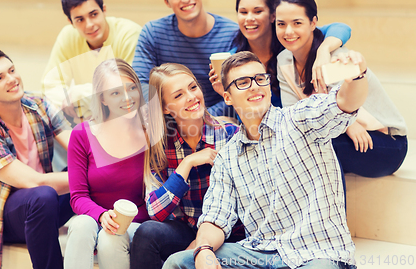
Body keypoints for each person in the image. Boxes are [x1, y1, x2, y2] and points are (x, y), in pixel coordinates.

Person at [164, 50, 365, 269]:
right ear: (227, 97)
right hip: (260, 253)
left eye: (260, 79)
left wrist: (356, 75)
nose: (254, 86)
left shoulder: (300, 119)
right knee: (179, 263)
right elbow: (215, 217)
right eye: (242, 82)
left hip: (317, 254)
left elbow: (344, 102)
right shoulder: (227, 157)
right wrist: (203, 249)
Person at [275, 0, 407, 178]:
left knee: (320, 146)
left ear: (313, 23)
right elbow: (292, 114)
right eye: (281, 24)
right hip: (341, 136)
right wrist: (345, 126)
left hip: (386, 142)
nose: (288, 31)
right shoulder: (283, 60)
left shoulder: (337, 58)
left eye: (297, 23)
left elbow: (340, 110)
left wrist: (346, 124)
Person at [0, 49, 73, 269]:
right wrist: (92, 177)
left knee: (86, 171)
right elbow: (35, 182)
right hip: (7, 217)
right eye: (0, 77)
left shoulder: (37, 104)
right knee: (43, 195)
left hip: (44, 203)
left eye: (12, 70)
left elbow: (77, 146)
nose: (12, 79)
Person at [130, 63, 240, 269]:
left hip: (229, 231)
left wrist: (202, 242)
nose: (191, 97)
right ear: (165, 108)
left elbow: (244, 204)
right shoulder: (161, 146)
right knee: (147, 233)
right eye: (178, 95)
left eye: (193, 87)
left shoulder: (229, 134)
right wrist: (188, 163)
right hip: (186, 227)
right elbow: (155, 211)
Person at [41, 0, 142, 171]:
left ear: (104, 9)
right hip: (84, 119)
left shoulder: (129, 34)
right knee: (44, 113)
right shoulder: (68, 36)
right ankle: (70, 178)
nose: (89, 25)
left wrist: (78, 96)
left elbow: (126, 92)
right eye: (79, 19)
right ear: (70, 22)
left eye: (94, 14)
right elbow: (48, 86)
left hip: (122, 117)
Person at [64, 59, 150, 269]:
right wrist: (102, 215)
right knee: (81, 224)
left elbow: (154, 197)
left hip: (136, 222)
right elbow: (78, 197)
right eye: (115, 93)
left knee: (111, 238)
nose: (127, 98)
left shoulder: (149, 132)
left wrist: (120, 221)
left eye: (131, 88)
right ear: (102, 99)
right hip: (94, 218)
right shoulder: (82, 134)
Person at [209, 0, 352, 108]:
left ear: (273, 15)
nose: (249, 18)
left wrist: (324, 50)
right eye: (243, 12)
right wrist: (228, 94)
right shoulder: (235, 59)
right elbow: (248, 114)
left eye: (258, 11)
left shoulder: (290, 43)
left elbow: (341, 28)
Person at [132, 0, 240, 117]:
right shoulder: (153, 33)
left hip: (220, 123)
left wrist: (200, 118)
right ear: (167, 1)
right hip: (172, 122)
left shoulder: (232, 34)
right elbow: (141, 88)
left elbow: (238, 91)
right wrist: (177, 118)